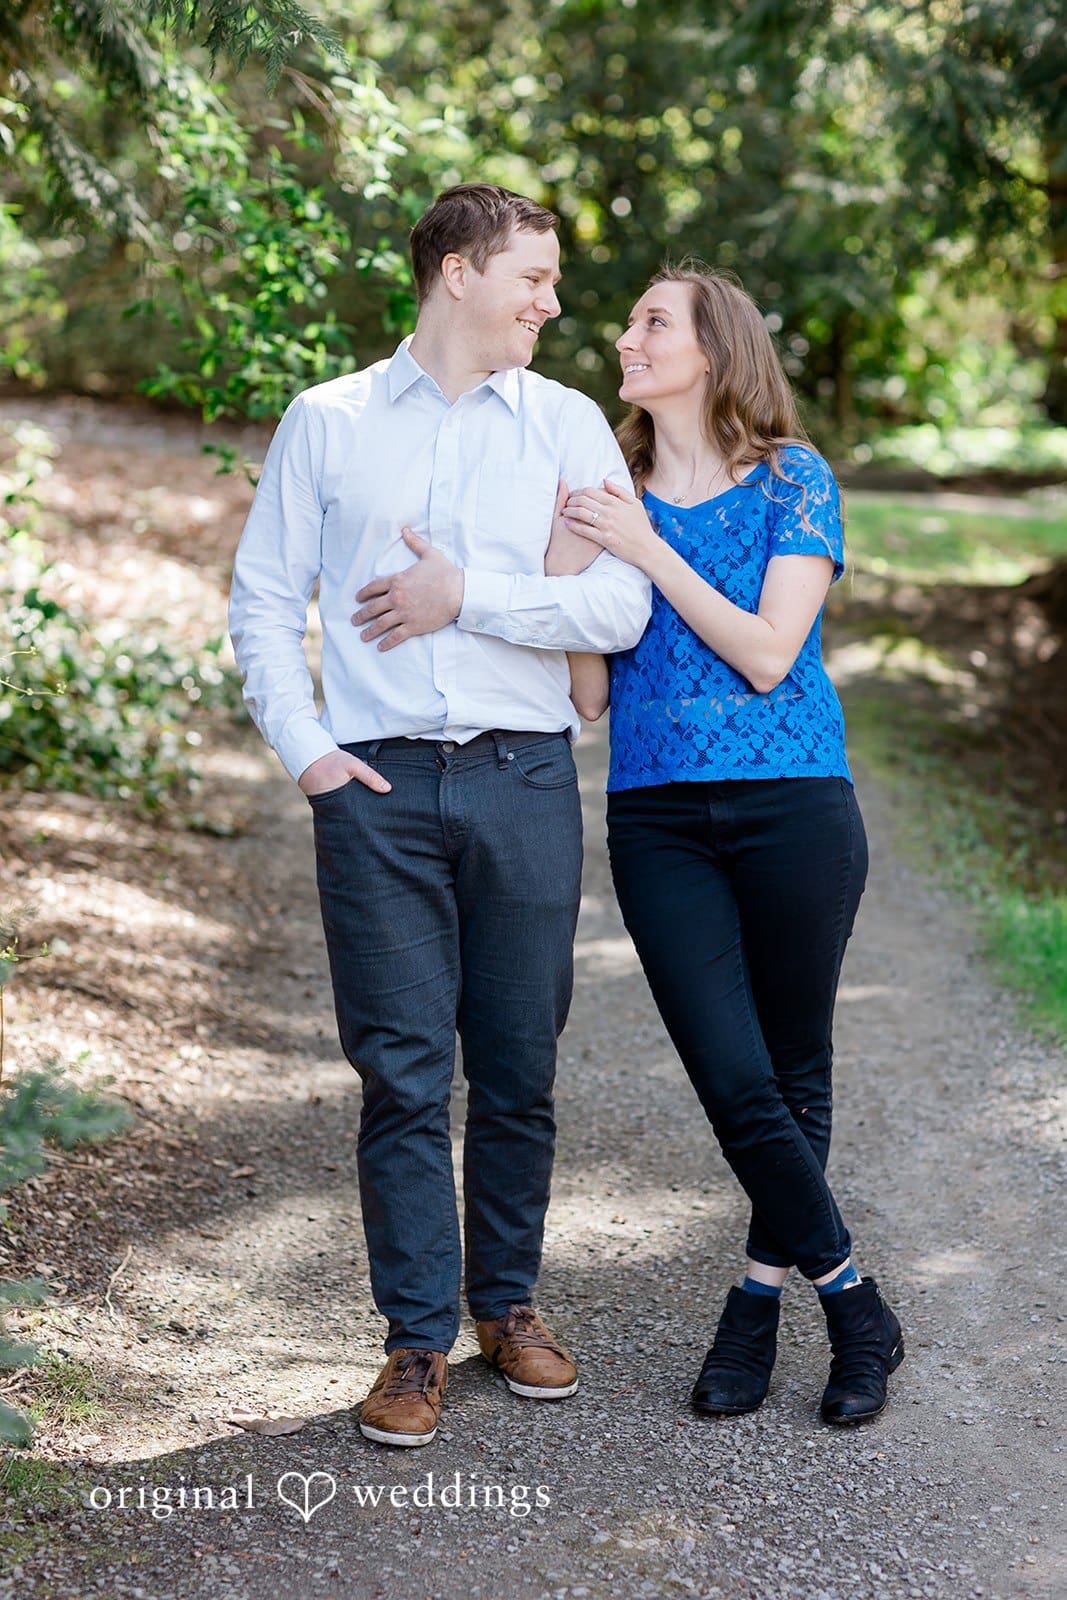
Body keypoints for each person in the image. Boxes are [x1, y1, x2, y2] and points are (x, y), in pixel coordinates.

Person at [228, 184, 651, 1447]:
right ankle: (414, 1338)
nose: (552, 302)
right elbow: (263, 599)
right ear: (458, 272)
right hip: (376, 788)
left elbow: (619, 607)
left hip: (524, 777)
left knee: (518, 1065)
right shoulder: (329, 421)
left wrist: (468, 597)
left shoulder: (567, 424)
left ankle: (505, 1305)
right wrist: (307, 752)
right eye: (533, 277)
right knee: (402, 1073)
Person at [550, 264, 904, 1426]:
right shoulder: (608, 491)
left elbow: (763, 652)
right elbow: (588, 694)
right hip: (656, 816)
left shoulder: (792, 479)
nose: (626, 335)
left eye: (652, 321)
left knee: (790, 1070)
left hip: (793, 800)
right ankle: (852, 1302)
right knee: (730, 1074)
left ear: (712, 348)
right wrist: (566, 562)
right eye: (630, 320)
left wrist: (647, 549)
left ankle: (753, 1302)